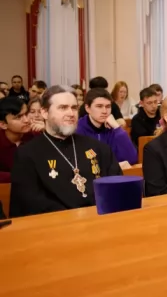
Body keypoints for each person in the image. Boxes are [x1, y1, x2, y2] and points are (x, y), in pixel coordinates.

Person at [9, 85, 122, 218]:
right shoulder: (27, 154)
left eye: (74, 108)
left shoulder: (99, 148)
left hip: (101, 221)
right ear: (44, 112)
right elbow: (30, 203)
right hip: (54, 225)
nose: (71, 114)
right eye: (63, 108)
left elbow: (117, 188)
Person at [76, 89, 138, 166]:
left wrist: (117, 128)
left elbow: (132, 159)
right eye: (99, 106)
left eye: (108, 106)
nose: (104, 111)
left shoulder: (113, 129)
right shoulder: (78, 129)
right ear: (87, 108)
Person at [0, 97, 36, 182]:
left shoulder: (36, 136)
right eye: (18, 117)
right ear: (3, 125)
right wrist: (19, 177)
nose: (26, 120)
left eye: (26, 114)